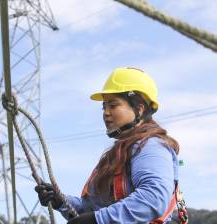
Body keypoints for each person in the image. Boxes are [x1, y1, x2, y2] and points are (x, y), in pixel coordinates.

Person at [35, 67, 183, 223]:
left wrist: (98, 220)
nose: (106, 112)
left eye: (113, 105)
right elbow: (92, 209)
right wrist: (62, 201)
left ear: (139, 109)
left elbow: (153, 199)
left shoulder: (151, 146)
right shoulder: (119, 154)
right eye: (104, 107)